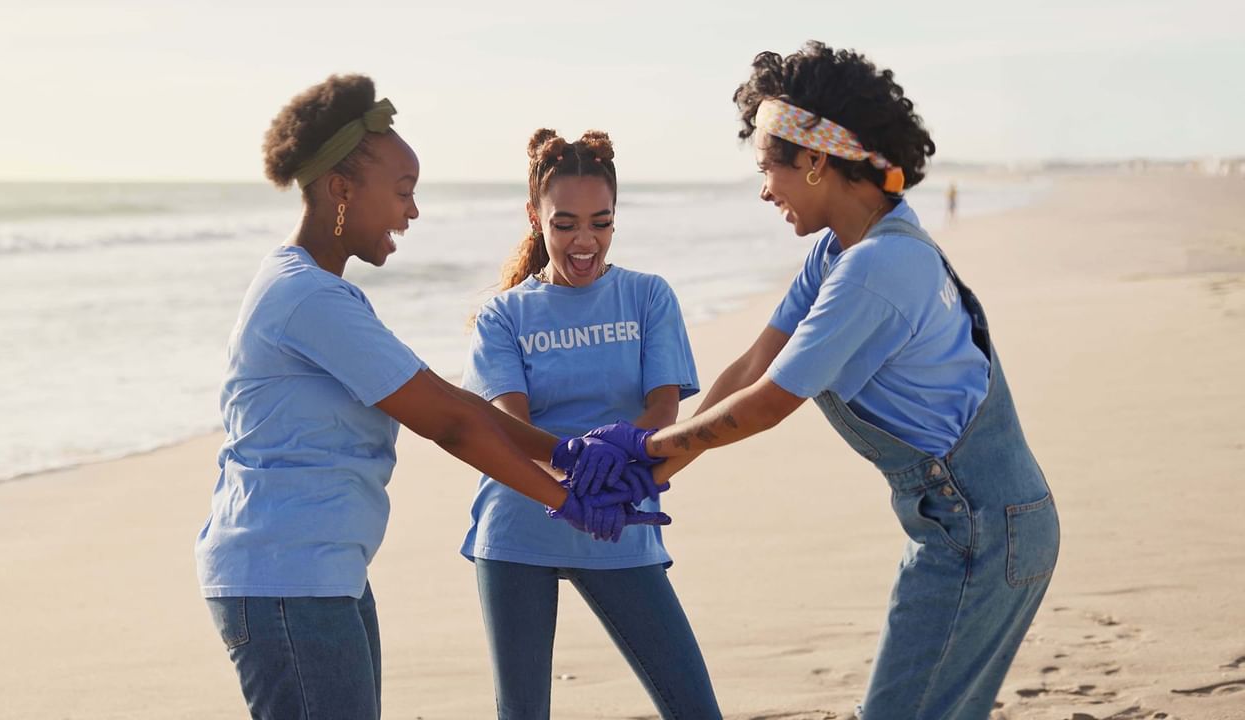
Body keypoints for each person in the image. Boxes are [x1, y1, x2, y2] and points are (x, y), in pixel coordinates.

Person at [577, 43, 1060, 720]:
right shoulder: (847, 247)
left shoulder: (876, 268)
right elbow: (750, 368)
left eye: (765, 168)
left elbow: (769, 404)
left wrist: (641, 456)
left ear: (812, 160)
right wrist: (649, 467)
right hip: (975, 524)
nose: (763, 189)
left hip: (978, 530)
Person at [194, 75, 655, 720]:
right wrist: (570, 499)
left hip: (320, 573)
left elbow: (454, 405)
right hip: (285, 579)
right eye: (403, 192)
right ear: (341, 190)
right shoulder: (308, 298)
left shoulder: (321, 291)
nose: (411, 212)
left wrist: (574, 456)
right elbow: (449, 426)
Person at [459, 129, 721, 719]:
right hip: (520, 525)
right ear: (535, 217)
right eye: (565, 223)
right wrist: (578, 463)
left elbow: (662, 411)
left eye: (601, 223)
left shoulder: (648, 297)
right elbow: (507, 427)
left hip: (617, 519)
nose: (585, 240)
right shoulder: (504, 313)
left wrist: (614, 461)